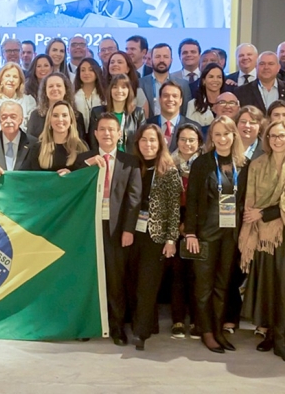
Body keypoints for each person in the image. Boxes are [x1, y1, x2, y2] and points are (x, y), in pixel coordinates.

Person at [239, 120, 285, 364]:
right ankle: (268, 334)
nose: (277, 140)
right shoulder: (256, 165)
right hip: (261, 234)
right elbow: (251, 197)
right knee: (266, 284)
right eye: (272, 136)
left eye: (282, 136)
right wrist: (254, 218)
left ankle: (281, 338)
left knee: (283, 286)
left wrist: (263, 213)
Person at [185, 116, 246, 353]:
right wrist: (190, 233)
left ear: (234, 136)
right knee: (203, 286)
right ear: (212, 137)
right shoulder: (201, 164)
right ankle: (207, 331)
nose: (222, 139)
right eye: (217, 134)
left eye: (226, 134)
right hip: (205, 234)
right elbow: (191, 201)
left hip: (231, 235)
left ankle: (218, 328)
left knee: (223, 285)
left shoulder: (242, 163)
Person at [78, 113, 141, 346]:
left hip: (116, 229)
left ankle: (116, 328)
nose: (106, 133)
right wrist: (86, 167)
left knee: (115, 280)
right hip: (89, 228)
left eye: (111, 129)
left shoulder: (130, 162)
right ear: (95, 134)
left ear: (119, 134)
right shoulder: (84, 159)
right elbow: (70, 181)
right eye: (102, 129)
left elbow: (135, 200)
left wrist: (129, 230)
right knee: (91, 277)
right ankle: (90, 324)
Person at [128, 123, 181, 350]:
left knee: (147, 286)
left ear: (160, 143)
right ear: (137, 143)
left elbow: (174, 208)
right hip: (132, 234)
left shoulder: (169, 170)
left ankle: (140, 334)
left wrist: (171, 239)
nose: (148, 145)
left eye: (152, 140)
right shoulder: (132, 167)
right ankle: (146, 323)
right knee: (132, 282)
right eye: (143, 140)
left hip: (156, 235)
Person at [169, 123, 204, 338]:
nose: (187, 143)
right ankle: (178, 319)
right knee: (177, 274)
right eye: (183, 139)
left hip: (198, 224)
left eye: (192, 140)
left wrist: (191, 225)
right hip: (175, 222)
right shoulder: (169, 164)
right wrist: (178, 225)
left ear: (199, 142)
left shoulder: (206, 164)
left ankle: (197, 319)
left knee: (198, 275)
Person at [24, 100, 88, 173]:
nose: (60, 119)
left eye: (64, 115)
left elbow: (85, 176)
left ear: (71, 120)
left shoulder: (81, 147)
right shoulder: (37, 148)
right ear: (49, 121)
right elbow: (28, 177)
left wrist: (71, 176)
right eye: (55, 115)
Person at [89, 74, 146, 154]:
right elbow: (93, 142)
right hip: (103, 158)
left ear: (129, 90)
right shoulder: (97, 112)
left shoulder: (138, 113)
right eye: (115, 87)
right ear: (110, 90)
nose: (119, 91)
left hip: (129, 160)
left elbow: (142, 140)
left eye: (123, 87)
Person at [0, 101, 37, 174]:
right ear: (0, 120)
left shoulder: (34, 144)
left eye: (13, 117)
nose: (8, 121)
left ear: (21, 120)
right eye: (4, 117)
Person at [138, 43, 192, 117]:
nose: (161, 60)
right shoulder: (140, 83)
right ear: (151, 59)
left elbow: (185, 113)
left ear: (171, 60)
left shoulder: (183, 84)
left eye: (166, 57)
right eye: (157, 57)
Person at [27, 72, 84, 140]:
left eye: (58, 85)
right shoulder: (35, 115)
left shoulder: (77, 116)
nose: (55, 89)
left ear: (66, 89)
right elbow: (30, 142)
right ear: (45, 91)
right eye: (51, 86)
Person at [149, 80, 201, 152]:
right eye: (166, 95)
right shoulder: (147, 124)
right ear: (160, 100)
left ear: (180, 101)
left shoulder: (194, 127)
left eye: (175, 96)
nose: (170, 99)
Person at [0, 62, 37, 133]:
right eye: (7, 76)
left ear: (20, 81)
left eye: (15, 77)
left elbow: (32, 129)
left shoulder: (29, 101)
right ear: (0, 80)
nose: (11, 80)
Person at [106, 51, 149, 117]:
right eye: (112, 62)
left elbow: (144, 120)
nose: (115, 64)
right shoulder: (102, 89)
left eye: (119, 62)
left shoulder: (137, 92)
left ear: (128, 69)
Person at [186, 63, 226, 127]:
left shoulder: (228, 102)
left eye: (219, 77)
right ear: (203, 81)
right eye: (211, 77)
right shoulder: (193, 104)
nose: (215, 80)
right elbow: (190, 129)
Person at [73, 58, 106, 133]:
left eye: (91, 70)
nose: (86, 73)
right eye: (83, 70)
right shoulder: (73, 96)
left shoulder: (104, 95)